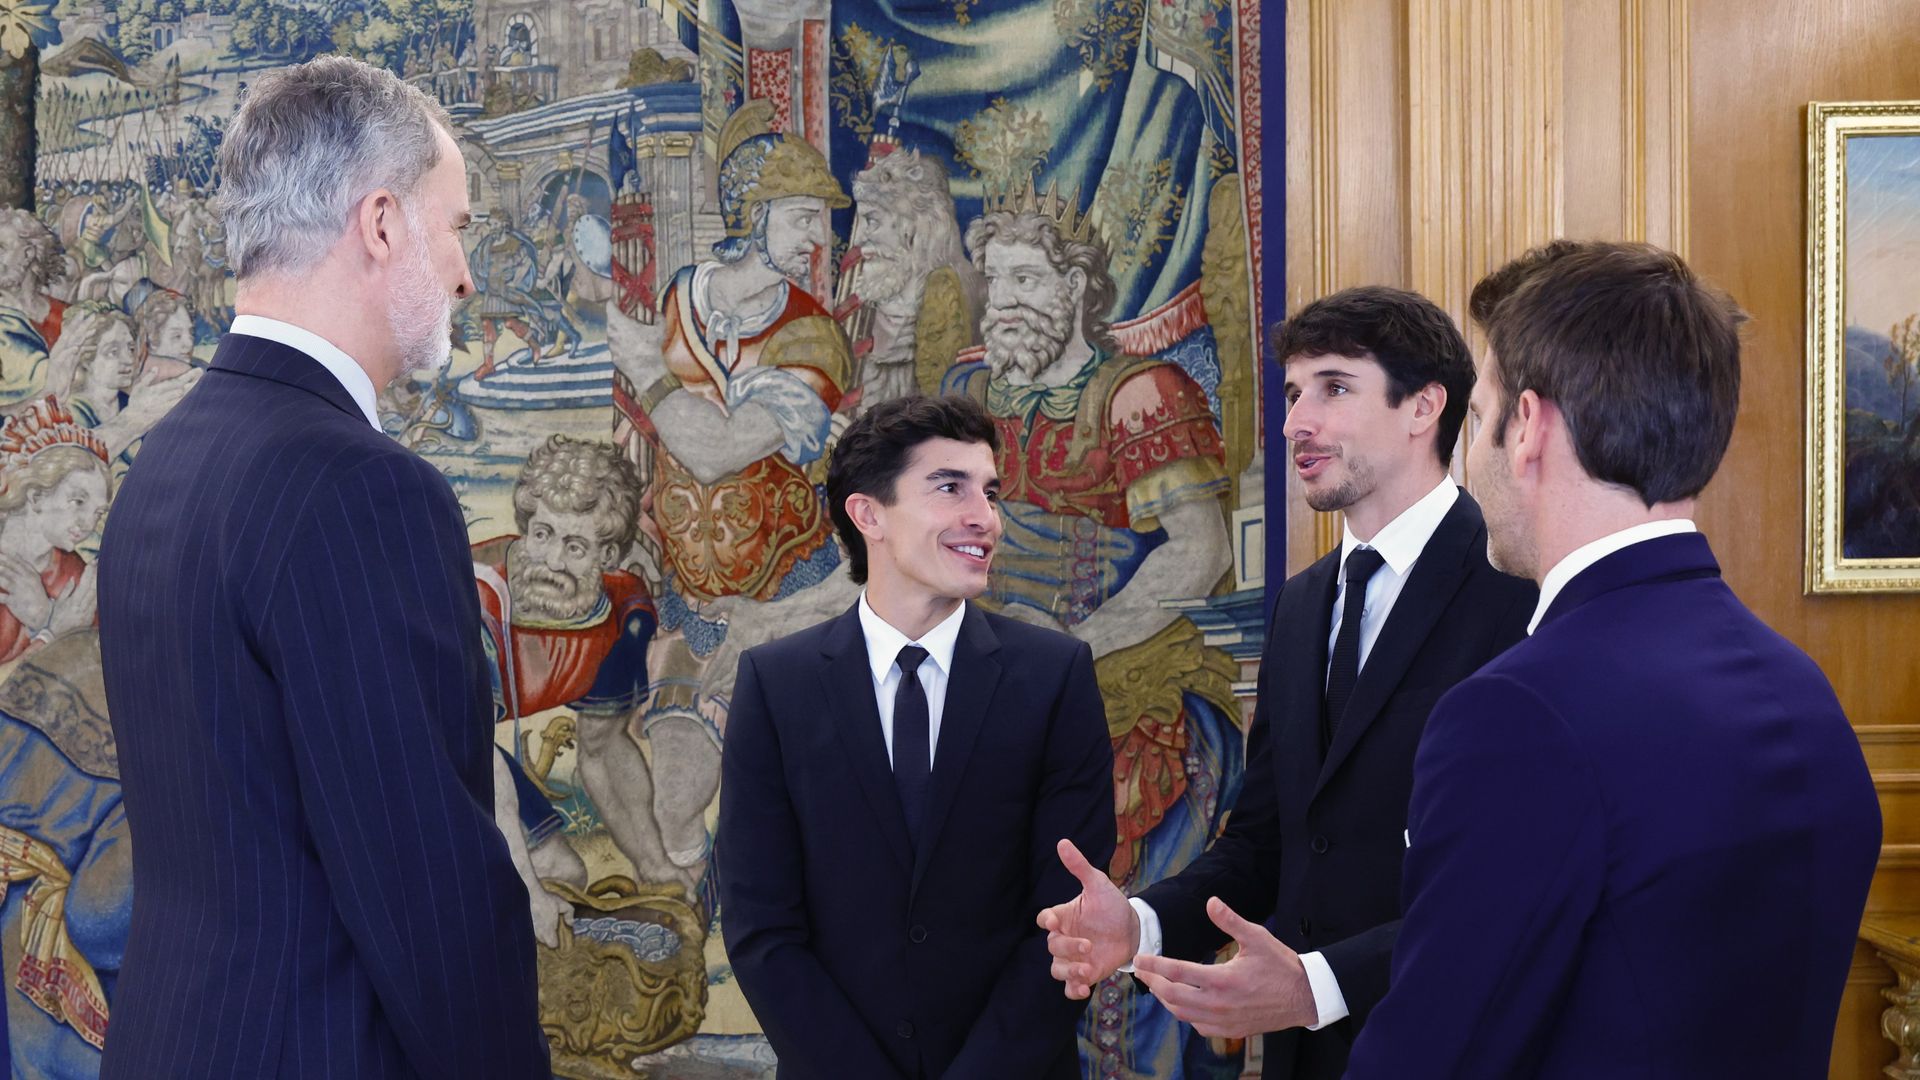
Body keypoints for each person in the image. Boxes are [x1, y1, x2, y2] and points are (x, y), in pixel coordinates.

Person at [95, 56, 548, 1078]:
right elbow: (429, 893)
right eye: (458, 226)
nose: (469, 273)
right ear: (382, 224)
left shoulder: (168, 455)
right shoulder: (360, 488)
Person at [1345, 241, 1883, 1076]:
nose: (1468, 455)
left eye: (1480, 415)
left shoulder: (1516, 715)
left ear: (1529, 427)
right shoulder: (1802, 689)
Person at [1038, 286, 1537, 1079]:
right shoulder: (1302, 604)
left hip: (1461, 1048)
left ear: (1425, 407)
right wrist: (1139, 926)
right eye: (1296, 393)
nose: (1297, 422)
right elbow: (1267, 842)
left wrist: (1316, 986)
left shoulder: (1521, 589)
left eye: (1335, 388)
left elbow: (1521, 882)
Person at [717, 393, 1115, 1079]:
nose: (984, 517)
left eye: (989, 492)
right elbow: (762, 931)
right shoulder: (774, 686)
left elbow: (1064, 922)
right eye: (949, 488)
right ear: (868, 514)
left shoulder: (1055, 677)